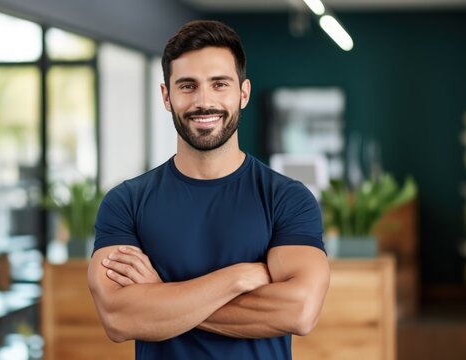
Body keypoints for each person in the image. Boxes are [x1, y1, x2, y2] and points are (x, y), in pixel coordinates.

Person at [87, 19, 330, 359]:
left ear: (243, 93)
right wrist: (240, 277)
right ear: (166, 96)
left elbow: (299, 311)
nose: (204, 101)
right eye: (187, 86)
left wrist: (160, 296)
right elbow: (119, 317)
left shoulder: (287, 199)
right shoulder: (126, 202)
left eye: (219, 84)